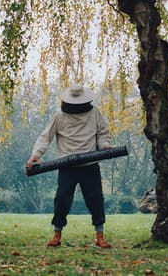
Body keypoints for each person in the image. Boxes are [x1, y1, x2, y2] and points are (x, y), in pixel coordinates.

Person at [26, 83, 113, 248]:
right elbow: (45, 137)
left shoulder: (94, 113)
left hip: (90, 164)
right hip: (66, 166)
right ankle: (56, 235)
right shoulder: (59, 116)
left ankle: (100, 236)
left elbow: (103, 133)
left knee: (96, 200)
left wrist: (104, 146)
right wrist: (35, 156)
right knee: (62, 200)